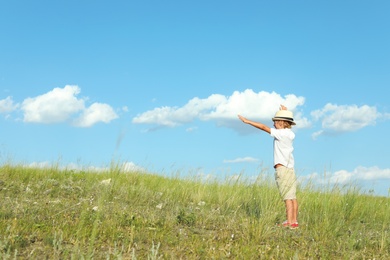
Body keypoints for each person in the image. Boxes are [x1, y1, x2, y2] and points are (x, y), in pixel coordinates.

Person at [238, 105, 299, 229]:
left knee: (287, 197)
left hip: (282, 169)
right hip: (290, 169)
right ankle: (294, 221)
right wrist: (284, 111)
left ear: (282, 122)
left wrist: (247, 121)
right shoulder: (290, 134)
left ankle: (289, 223)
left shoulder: (280, 134)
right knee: (292, 197)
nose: (273, 123)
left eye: (276, 121)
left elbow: (263, 127)